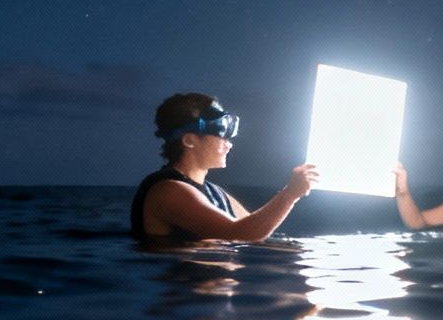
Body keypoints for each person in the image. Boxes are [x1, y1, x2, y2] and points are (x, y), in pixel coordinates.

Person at [131, 92, 318, 242]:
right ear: (189, 140)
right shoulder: (168, 191)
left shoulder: (215, 193)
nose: (229, 145)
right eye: (221, 135)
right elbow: (240, 234)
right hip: (184, 280)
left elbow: (259, 231)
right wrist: (289, 195)